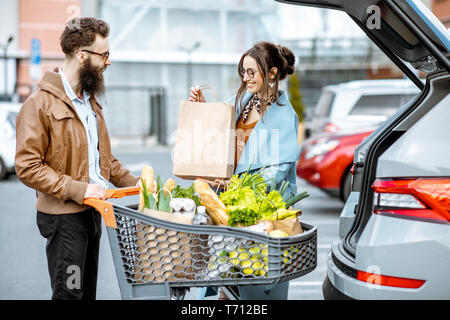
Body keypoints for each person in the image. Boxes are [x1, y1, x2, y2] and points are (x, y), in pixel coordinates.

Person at [15, 17, 139, 300]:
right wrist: (80, 190)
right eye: (104, 55)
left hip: (92, 213)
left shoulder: (89, 101)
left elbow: (102, 160)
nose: (109, 62)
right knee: (69, 295)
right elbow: (28, 167)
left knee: (86, 295)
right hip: (64, 221)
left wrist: (138, 182)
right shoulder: (39, 104)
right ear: (82, 56)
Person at [189, 41, 300, 300]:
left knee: (256, 286)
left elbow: (277, 172)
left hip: (262, 217)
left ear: (272, 73)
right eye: (243, 71)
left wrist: (234, 185)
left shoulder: (285, 117)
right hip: (231, 210)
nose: (245, 77)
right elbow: (218, 125)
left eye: (251, 72)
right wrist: (203, 105)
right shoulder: (243, 102)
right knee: (226, 282)